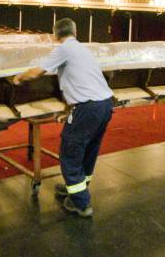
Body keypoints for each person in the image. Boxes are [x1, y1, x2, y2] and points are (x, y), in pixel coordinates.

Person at [13, 18, 113, 218]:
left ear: (55, 35)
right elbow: (77, 81)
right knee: (88, 150)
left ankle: (81, 204)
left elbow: (36, 73)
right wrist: (69, 110)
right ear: (75, 32)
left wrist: (17, 78)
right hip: (105, 104)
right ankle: (77, 187)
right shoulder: (83, 49)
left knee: (70, 151)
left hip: (89, 108)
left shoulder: (63, 49)